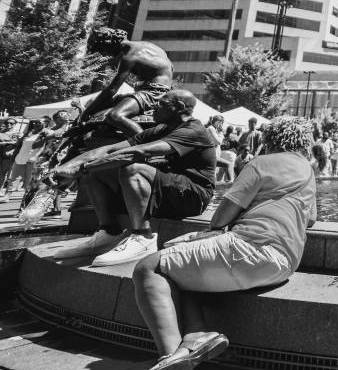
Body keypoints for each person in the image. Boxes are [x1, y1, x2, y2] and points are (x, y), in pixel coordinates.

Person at [94, 115, 319, 370]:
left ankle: (168, 361)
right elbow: (310, 219)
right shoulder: (307, 170)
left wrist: (229, 222)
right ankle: (195, 335)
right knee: (184, 269)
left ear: (271, 138)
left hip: (250, 248)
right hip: (283, 263)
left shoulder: (263, 162)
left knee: (148, 267)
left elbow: (221, 216)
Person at [49, 90, 217, 267]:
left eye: (161, 103)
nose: (153, 106)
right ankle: (109, 233)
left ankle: (143, 238)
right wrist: (61, 169)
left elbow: (139, 152)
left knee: (133, 169)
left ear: (179, 107)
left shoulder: (194, 131)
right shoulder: (161, 129)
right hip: (167, 191)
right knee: (98, 171)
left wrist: (83, 168)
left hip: (193, 197)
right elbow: (108, 150)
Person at [76, 27, 175, 138]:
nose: (107, 54)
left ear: (109, 44)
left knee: (115, 116)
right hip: (162, 90)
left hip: (153, 93)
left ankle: (143, 144)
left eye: (104, 50)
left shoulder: (129, 56)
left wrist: (86, 112)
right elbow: (171, 67)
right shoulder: (149, 46)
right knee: (108, 103)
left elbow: (112, 89)